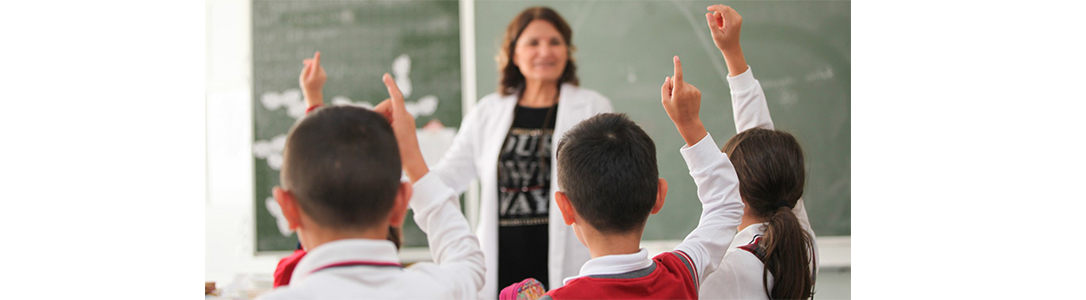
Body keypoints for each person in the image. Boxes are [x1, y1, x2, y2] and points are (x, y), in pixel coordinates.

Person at [257, 52, 484, 299]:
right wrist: (412, 160)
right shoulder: (436, 291)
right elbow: (467, 260)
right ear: (400, 203)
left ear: (287, 208)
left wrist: (313, 101)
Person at [425, 6, 613, 297]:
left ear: (567, 51)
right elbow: (449, 175)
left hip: (568, 258)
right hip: (503, 260)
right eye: (533, 43)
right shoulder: (488, 112)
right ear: (514, 53)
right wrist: (399, 170)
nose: (545, 52)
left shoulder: (592, 108)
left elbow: (612, 185)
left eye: (555, 42)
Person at [531, 53, 745, 298]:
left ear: (565, 207)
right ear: (659, 195)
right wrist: (690, 123)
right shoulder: (682, 273)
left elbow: (725, 205)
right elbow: (726, 204)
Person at [694, 5, 818, 299]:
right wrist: (733, 53)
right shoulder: (801, 244)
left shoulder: (730, 271)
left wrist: (691, 127)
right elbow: (763, 142)